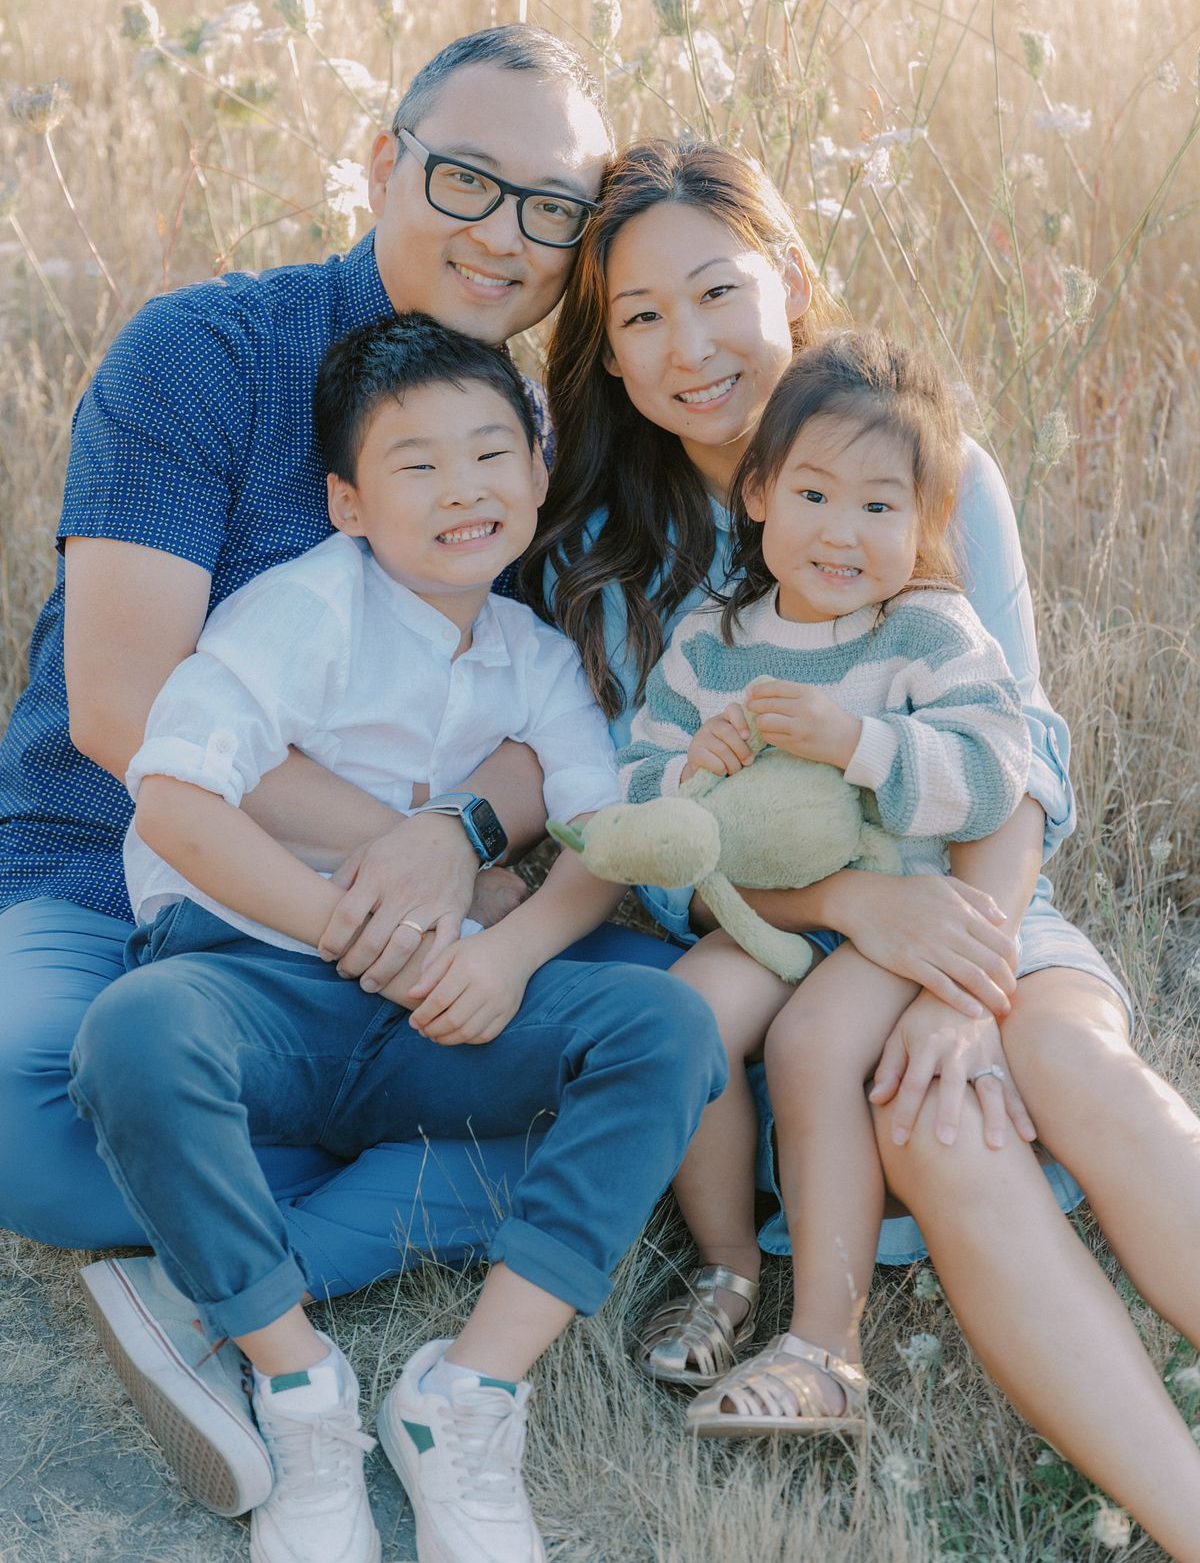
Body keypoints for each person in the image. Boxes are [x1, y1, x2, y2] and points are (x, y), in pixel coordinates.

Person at [522, 137, 1200, 1560]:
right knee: (933, 1119)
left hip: (966, 897)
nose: (691, 347)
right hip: (777, 940)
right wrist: (847, 908)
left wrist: (965, 974)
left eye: (717, 293)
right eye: (641, 318)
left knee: (1053, 1061)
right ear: (611, 354)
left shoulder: (926, 477)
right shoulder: (606, 548)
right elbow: (657, 832)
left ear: (792, 285)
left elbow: (1019, 759)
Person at [70, 315, 725, 1563]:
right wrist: (345, 928)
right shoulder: (301, 612)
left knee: (669, 1023)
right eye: (416, 464)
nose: (464, 488)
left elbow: (607, 843)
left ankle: (465, 1396)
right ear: (348, 502)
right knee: (133, 1036)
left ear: (539, 474)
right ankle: (299, 1388)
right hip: (255, 980)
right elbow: (173, 794)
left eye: (491, 454)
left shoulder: (538, 659)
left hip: (434, 1009)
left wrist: (507, 955)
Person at [617, 331, 1032, 1437]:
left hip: (898, 922)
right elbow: (642, 784)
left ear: (929, 522)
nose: (842, 533)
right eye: (813, 492)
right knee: (685, 1013)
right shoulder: (711, 646)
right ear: (758, 493)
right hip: (769, 914)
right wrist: (686, 774)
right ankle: (725, 1270)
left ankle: (826, 1351)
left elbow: (996, 777)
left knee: (808, 1046)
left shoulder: (928, 633)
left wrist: (862, 743)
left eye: (882, 507)